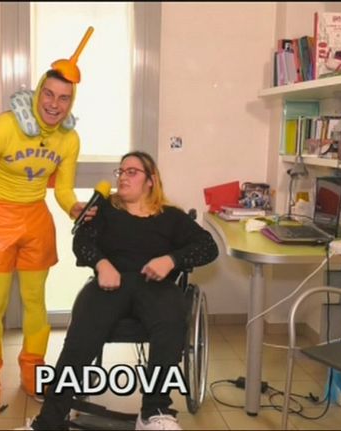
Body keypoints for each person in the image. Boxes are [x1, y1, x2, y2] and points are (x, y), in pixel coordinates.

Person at [22, 151, 219, 430]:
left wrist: (170, 260)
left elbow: (208, 247)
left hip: (156, 286)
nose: (123, 177)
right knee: (81, 335)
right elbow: (82, 243)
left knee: (171, 320)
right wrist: (101, 263)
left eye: (132, 172)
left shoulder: (171, 217)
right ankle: (49, 422)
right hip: (110, 284)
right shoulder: (104, 211)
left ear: (151, 181)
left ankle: (154, 412)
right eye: (121, 172)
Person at [0, 48, 96, 414]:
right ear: (38, 92)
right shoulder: (4, 127)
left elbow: (63, 190)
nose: (54, 104)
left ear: (71, 102)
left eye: (63, 98)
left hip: (35, 218)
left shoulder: (69, 139)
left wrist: (74, 207)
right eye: (49, 94)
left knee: (36, 302)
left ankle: (33, 371)